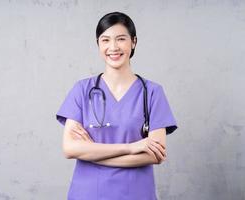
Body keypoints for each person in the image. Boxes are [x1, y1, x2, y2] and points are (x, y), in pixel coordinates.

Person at [56, 11, 178, 200]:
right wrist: (132, 147)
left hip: (136, 193)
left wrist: (92, 151)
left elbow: (155, 155)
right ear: (98, 44)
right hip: (88, 194)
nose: (113, 47)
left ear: (134, 42)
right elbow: (70, 149)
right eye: (105, 40)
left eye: (121, 39)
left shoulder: (152, 92)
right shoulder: (82, 90)